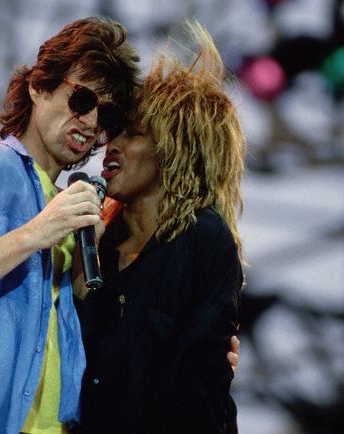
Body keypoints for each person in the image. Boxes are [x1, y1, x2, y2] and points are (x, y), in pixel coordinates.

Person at [0, 17, 141, 434]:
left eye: (105, 115)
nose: (91, 123)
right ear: (38, 86)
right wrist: (38, 231)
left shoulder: (69, 202)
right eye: (82, 100)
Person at [75, 22, 246, 434]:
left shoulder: (203, 239)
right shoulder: (96, 242)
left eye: (134, 133)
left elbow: (199, 384)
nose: (112, 145)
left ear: (175, 149)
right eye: (114, 133)